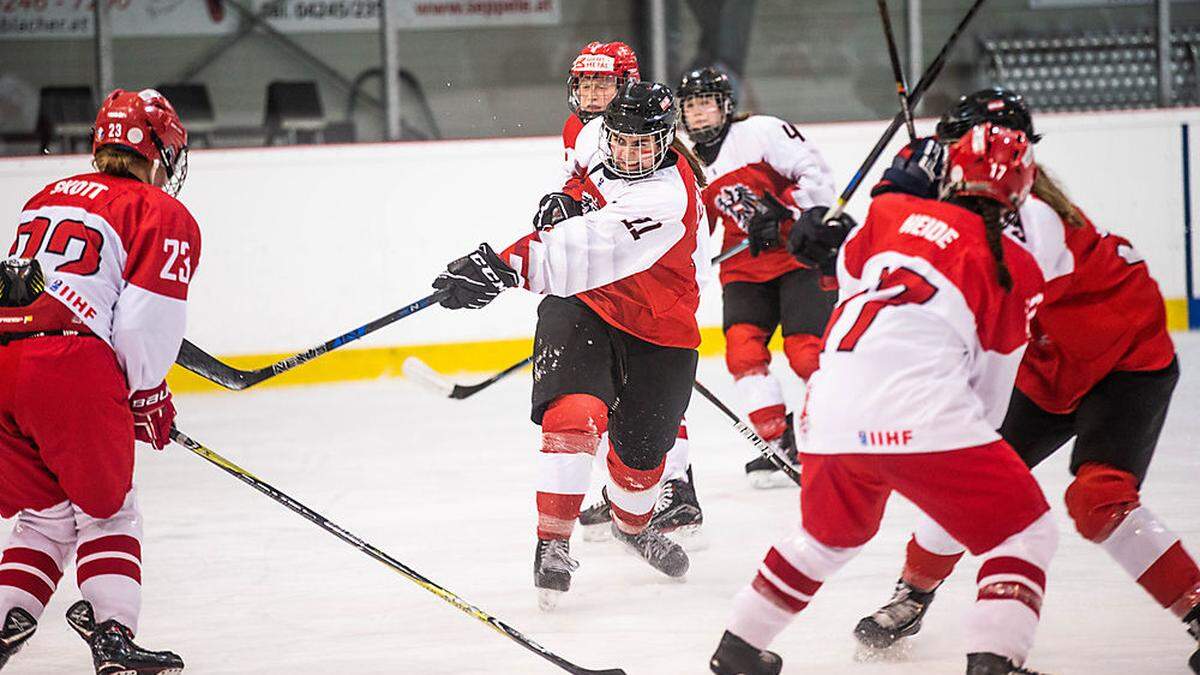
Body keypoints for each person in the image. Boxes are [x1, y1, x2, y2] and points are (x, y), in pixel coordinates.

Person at [848, 87, 1200, 675]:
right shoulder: (973, 204)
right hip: (1044, 370)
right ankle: (912, 596)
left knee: (1098, 501)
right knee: (967, 484)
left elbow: (982, 283)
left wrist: (893, 200)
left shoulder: (1032, 216)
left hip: (1124, 365)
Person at [709, 124, 1056, 675]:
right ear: (1021, 190)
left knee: (825, 539)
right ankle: (996, 662)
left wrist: (820, 227)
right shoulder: (1018, 266)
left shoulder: (889, 216)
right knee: (1023, 529)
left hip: (830, 407)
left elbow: (842, 275)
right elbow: (990, 400)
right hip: (923, 409)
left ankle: (738, 650)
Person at [431, 81, 708, 609]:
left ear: (666, 141)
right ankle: (552, 543)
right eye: (621, 140)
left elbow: (587, 246)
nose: (628, 153)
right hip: (583, 305)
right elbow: (578, 184)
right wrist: (565, 197)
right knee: (574, 416)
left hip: (659, 330)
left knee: (639, 467)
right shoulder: (597, 141)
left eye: (643, 144)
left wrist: (502, 267)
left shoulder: (667, 197)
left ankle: (631, 525)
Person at [0, 89, 199, 674]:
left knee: (45, 516)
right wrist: (144, 392)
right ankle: (113, 634)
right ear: (160, 150)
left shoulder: (47, 195)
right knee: (108, 511)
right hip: (64, 368)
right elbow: (142, 324)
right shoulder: (161, 212)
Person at [561, 41, 704, 543]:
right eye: (585, 82)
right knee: (615, 398)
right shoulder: (584, 132)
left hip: (665, 275)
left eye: (603, 82)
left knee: (658, 393)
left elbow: (671, 231)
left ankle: (677, 491)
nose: (592, 92)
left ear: (625, 85)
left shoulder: (649, 143)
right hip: (619, 271)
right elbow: (581, 194)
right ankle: (636, 489)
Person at [676, 65, 836, 487]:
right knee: (743, 355)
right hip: (744, 267)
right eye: (691, 107)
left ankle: (832, 437)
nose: (699, 115)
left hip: (797, 258)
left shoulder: (761, 132)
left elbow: (815, 175)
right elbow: (693, 228)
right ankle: (779, 442)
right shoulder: (687, 164)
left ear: (726, 106)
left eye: (706, 104)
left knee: (807, 354)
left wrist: (787, 209)